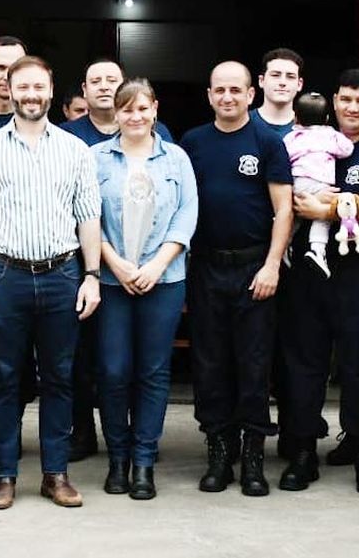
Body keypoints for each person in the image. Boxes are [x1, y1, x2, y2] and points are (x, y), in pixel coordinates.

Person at [0, 55, 102, 509]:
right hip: (6, 276)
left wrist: (93, 275)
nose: (31, 95)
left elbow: (89, 217)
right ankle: (4, 477)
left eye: (39, 87)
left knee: (59, 378)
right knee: (4, 380)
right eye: (22, 87)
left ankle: (55, 474)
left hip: (63, 273)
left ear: (50, 88)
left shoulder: (75, 150)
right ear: (8, 87)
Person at [284, 70, 359, 495]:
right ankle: (302, 449)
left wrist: (327, 208)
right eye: (347, 99)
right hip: (310, 271)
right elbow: (291, 197)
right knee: (305, 361)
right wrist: (330, 204)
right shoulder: (313, 138)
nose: (353, 108)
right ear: (335, 101)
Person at [180, 61, 292, 497]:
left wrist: (271, 264)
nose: (227, 97)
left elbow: (284, 209)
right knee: (209, 363)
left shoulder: (267, 141)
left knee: (253, 362)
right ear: (209, 95)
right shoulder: (193, 142)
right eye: (219, 90)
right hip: (206, 267)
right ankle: (219, 453)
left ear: (250, 94)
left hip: (254, 269)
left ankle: (253, 458)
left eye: (235, 90)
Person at [92, 78, 197, 500]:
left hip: (164, 279)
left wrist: (156, 264)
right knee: (114, 371)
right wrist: (114, 263)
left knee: (153, 373)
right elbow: (83, 216)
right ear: (115, 114)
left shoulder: (176, 159)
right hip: (109, 278)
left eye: (142, 108)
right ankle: (117, 457)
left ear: (155, 109)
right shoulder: (96, 158)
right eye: (126, 109)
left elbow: (187, 215)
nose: (134, 117)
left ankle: (143, 462)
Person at [283, 92, 353, 277]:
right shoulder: (330, 135)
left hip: (297, 183)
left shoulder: (291, 137)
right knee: (323, 216)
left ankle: (284, 245)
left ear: (296, 116)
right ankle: (317, 250)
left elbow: (283, 158)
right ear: (327, 118)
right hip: (320, 184)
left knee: (294, 217)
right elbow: (347, 149)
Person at [60, 59, 175, 146]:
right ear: (84, 90)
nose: (104, 87)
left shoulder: (154, 130)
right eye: (95, 82)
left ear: (125, 86)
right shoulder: (66, 133)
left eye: (112, 81)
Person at [249, 48, 304, 137]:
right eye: (275, 75)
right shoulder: (242, 123)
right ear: (261, 81)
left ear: (299, 84)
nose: (282, 82)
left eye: (290, 77)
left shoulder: (308, 129)